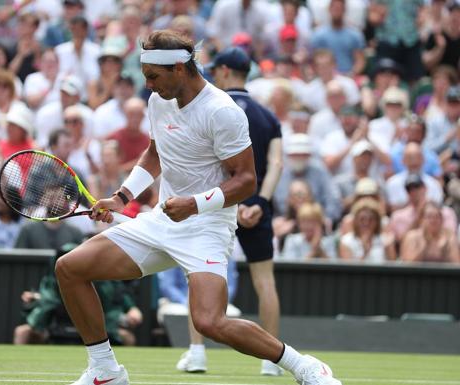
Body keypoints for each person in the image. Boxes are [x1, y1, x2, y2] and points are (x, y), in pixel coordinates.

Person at [54, 30, 341, 385]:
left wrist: (194, 205)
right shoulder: (158, 100)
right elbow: (156, 154)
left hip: (207, 227)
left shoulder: (223, 111)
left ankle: (306, 367)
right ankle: (105, 370)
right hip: (162, 220)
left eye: (153, 77)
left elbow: (246, 180)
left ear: (179, 68)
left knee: (209, 322)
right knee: (69, 269)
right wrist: (122, 197)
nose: (148, 85)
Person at [174, 46, 285, 376]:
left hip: (218, 206)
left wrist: (230, 203)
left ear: (222, 71)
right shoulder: (268, 116)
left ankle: (196, 353)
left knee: (200, 276)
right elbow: (277, 162)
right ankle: (271, 360)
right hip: (256, 207)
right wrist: (260, 204)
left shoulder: (212, 109)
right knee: (264, 282)